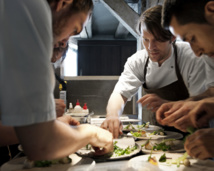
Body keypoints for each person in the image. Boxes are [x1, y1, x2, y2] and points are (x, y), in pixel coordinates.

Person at [0, 0, 113, 163]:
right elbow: (42, 145)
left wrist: (51, 125)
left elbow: (28, 133)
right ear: (63, 3)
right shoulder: (31, 8)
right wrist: (91, 133)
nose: (64, 41)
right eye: (75, 29)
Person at [101, 5, 211, 138]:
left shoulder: (192, 56)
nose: (150, 47)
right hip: (161, 135)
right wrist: (112, 116)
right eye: (145, 39)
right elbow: (120, 93)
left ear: (172, 38)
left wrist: (169, 105)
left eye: (158, 40)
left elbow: (200, 103)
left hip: (196, 132)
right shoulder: (138, 61)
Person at [156, 0, 214, 159]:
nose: (196, 53)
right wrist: (189, 104)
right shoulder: (210, 52)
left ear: (211, 9)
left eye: (192, 38)